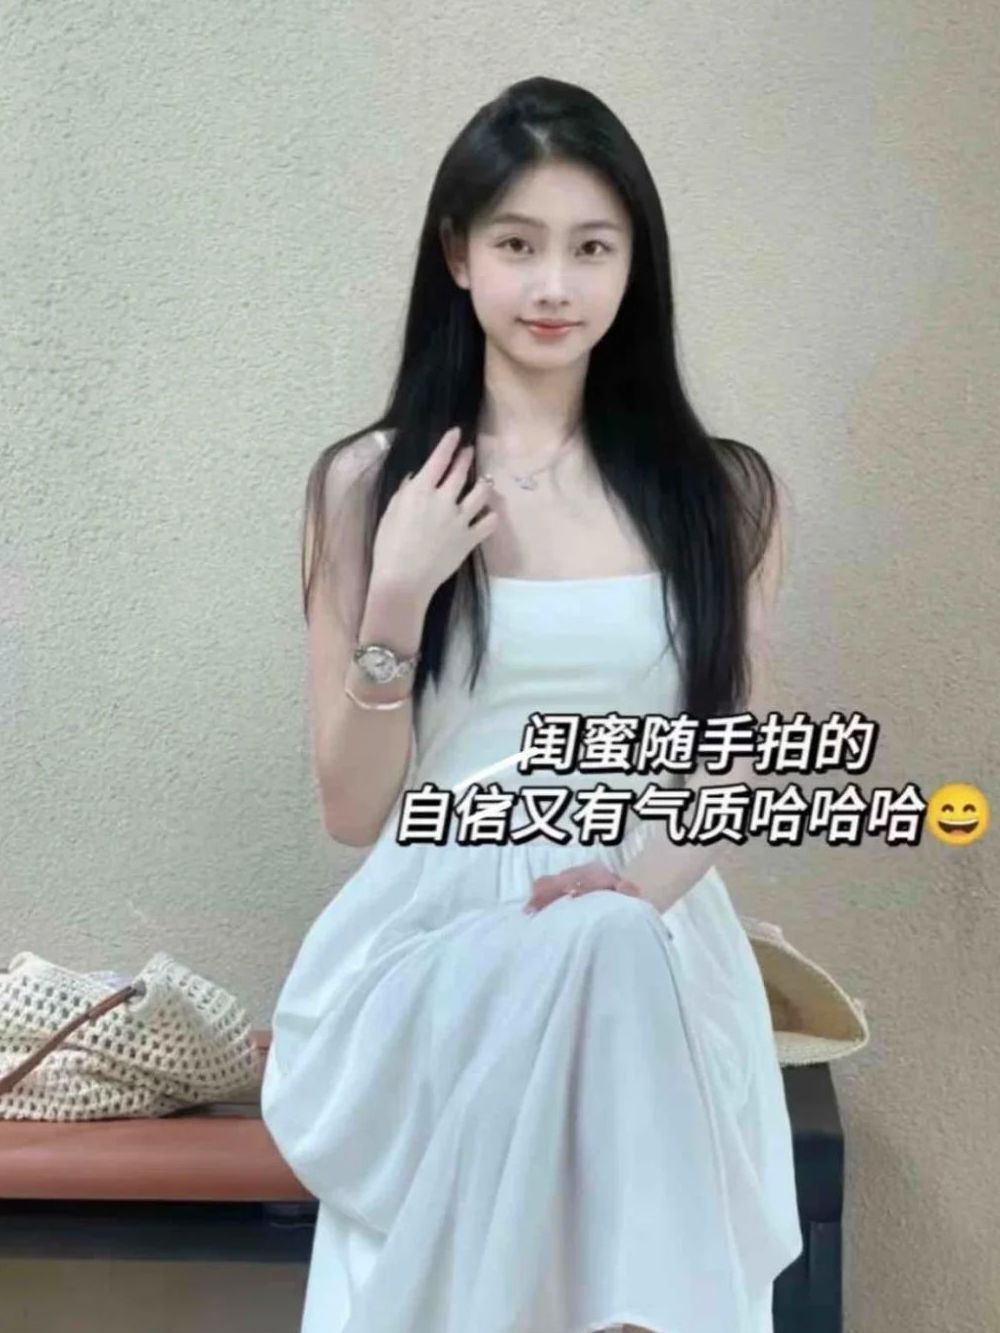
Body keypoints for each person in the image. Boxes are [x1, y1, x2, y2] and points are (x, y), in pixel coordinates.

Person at [261, 75, 803, 1333]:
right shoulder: (368, 486)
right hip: (440, 937)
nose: (553, 285)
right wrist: (398, 594)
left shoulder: (723, 495)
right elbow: (352, 810)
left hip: (648, 917)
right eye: (517, 245)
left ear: (633, 267)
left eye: (590, 248)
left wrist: (629, 892)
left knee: (606, 952)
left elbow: (732, 761)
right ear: (457, 255)